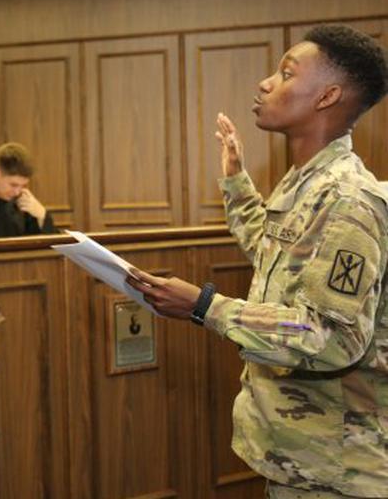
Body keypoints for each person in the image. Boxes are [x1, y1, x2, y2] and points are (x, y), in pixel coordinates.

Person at [126, 25, 388, 498]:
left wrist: (205, 307)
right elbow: (273, 251)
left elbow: (332, 338)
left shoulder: (349, 200)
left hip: (339, 472)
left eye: (286, 73)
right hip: (296, 459)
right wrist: (236, 183)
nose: (266, 83)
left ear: (327, 96)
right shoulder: (303, 182)